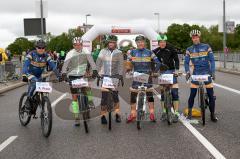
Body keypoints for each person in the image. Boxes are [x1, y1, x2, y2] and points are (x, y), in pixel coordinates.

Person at [61, 37, 99, 126]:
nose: (78, 46)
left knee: (87, 87)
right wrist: (63, 73)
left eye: (79, 45)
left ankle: (89, 101)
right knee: (74, 98)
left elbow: (91, 61)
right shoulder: (70, 53)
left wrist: (95, 70)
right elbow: (65, 64)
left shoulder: (86, 51)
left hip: (82, 75)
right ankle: (76, 117)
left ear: (82, 45)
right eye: (76, 45)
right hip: (72, 75)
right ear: (73, 45)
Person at [184, 30, 218, 122]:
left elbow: (212, 60)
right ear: (192, 38)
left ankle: (212, 114)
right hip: (196, 74)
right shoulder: (189, 49)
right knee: (192, 94)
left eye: (196, 37)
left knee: (211, 95)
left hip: (206, 73)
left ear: (199, 37)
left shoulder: (206, 47)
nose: (195, 38)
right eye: (193, 37)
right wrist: (187, 72)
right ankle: (190, 113)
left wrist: (213, 71)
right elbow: (186, 62)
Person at [126, 35, 161, 123]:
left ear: (144, 42)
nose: (140, 43)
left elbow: (158, 62)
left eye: (142, 41)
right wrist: (128, 70)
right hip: (136, 75)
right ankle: (133, 113)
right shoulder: (132, 52)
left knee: (149, 94)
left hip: (147, 75)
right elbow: (128, 63)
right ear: (136, 43)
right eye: (138, 42)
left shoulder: (149, 52)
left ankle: (152, 113)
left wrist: (155, 72)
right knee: (133, 94)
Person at [22, 40, 61, 111]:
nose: (41, 49)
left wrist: (59, 76)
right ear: (36, 48)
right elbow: (25, 65)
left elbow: (53, 66)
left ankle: (40, 100)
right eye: (39, 48)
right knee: (35, 82)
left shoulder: (47, 56)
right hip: (29, 73)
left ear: (45, 48)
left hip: (39, 75)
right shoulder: (31, 54)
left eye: (43, 48)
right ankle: (28, 99)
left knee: (41, 85)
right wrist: (24, 75)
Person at [96, 35, 124, 124]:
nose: (111, 44)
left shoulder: (119, 52)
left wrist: (120, 75)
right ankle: (103, 116)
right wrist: (97, 73)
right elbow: (98, 62)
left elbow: (121, 65)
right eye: (110, 42)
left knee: (115, 97)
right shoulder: (103, 51)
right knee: (104, 97)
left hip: (115, 76)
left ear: (115, 43)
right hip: (105, 76)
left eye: (113, 42)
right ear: (107, 43)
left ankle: (117, 114)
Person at [152, 34, 180, 122]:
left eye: (164, 42)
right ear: (158, 43)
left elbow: (176, 60)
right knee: (163, 94)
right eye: (160, 42)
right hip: (162, 72)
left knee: (175, 93)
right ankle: (164, 112)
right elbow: (152, 62)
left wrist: (177, 70)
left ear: (166, 42)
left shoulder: (171, 48)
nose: (162, 44)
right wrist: (154, 71)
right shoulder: (155, 51)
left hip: (171, 71)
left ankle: (176, 113)